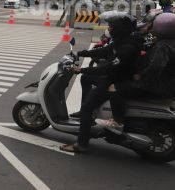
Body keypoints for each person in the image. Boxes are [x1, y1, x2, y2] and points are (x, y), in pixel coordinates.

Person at [60, 13, 142, 153]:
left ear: (119, 29)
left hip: (116, 80)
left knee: (87, 106)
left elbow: (108, 69)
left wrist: (82, 69)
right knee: (85, 78)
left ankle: (81, 144)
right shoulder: (123, 40)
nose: (109, 29)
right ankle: (86, 113)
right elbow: (104, 51)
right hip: (113, 77)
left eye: (111, 26)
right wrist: (81, 53)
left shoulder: (127, 47)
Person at [96, 13, 175, 134]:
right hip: (167, 84)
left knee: (115, 88)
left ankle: (117, 122)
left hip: (157, 86)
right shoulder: (169, 42)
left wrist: (140, 75)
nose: (152, 27)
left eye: (154, 25)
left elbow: (156, 66)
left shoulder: (163, 46)